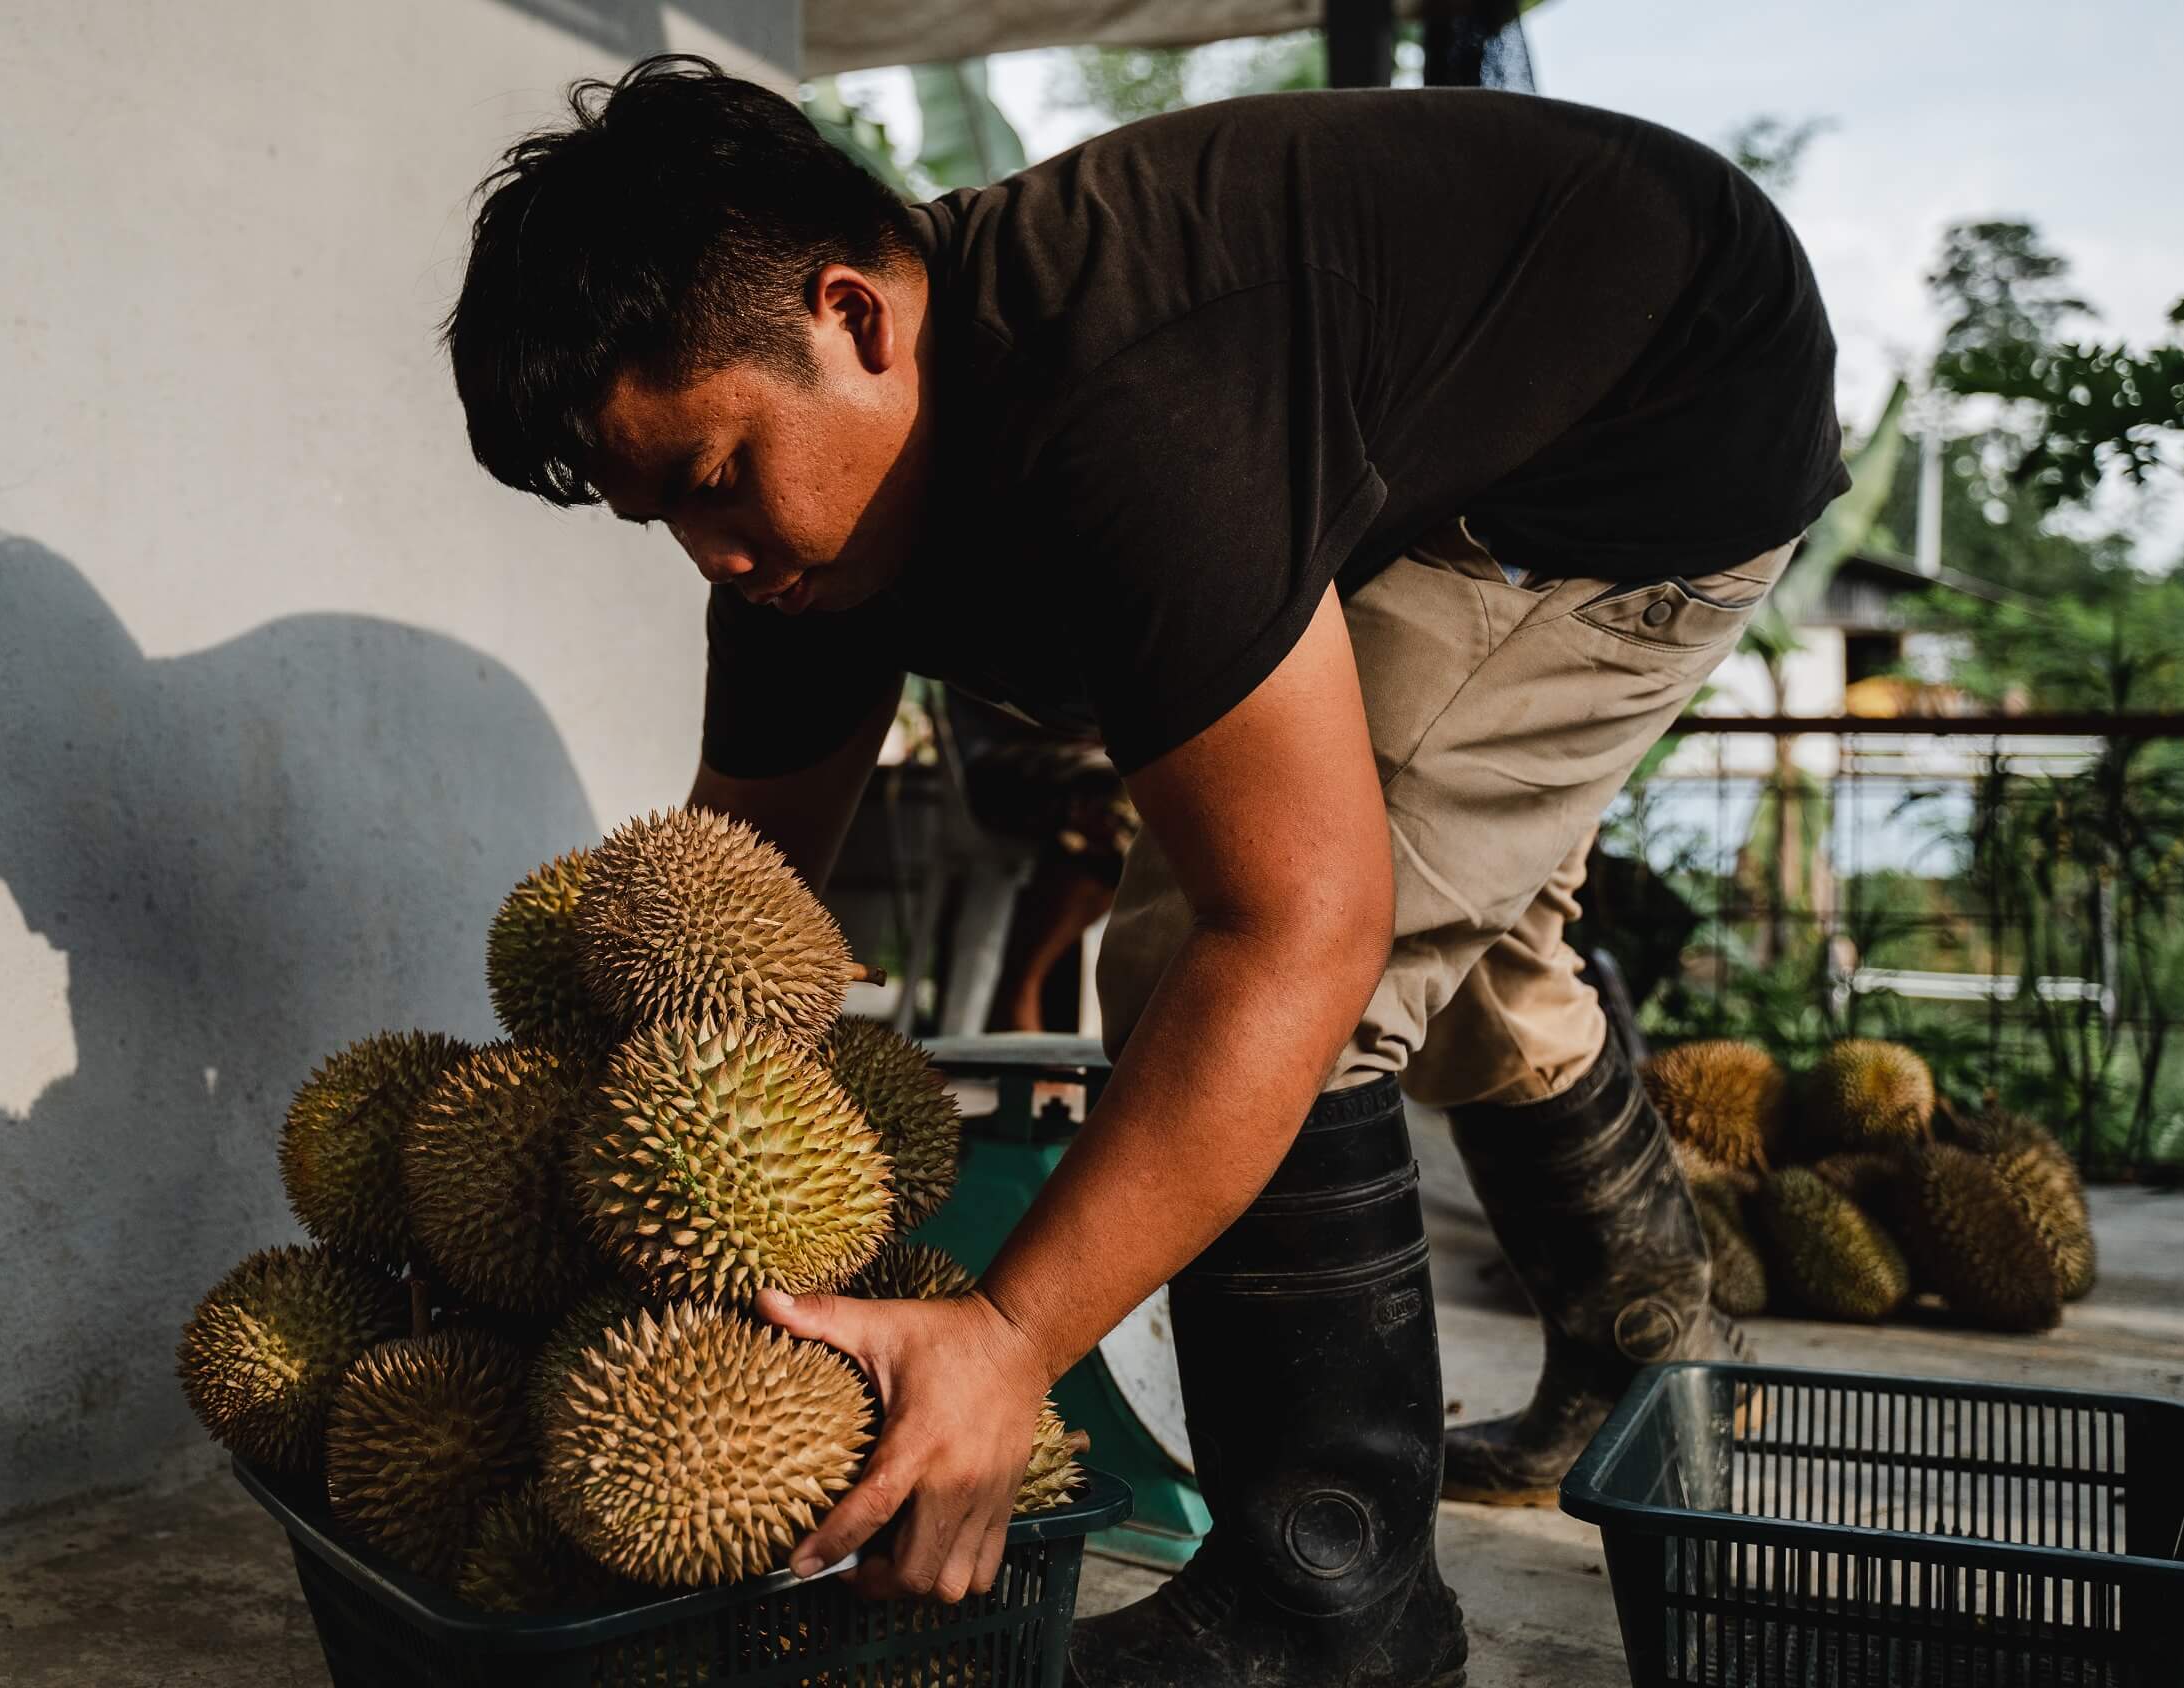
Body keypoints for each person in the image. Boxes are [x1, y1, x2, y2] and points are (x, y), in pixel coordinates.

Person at [446, 56, 1845, 1688]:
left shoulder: (1129, 406)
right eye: (668, 521)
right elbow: (734, 901)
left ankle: (1333, 1607)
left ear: (854, 316)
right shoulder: (805, 545)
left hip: (1653, 420)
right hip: (1433, 425)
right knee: (1429, 927)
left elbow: (1298, 933)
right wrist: (586, 1174)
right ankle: (1652, 1343)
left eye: (716, 480)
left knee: (1231, 951)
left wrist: (1007, 1341)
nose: (723, 558)